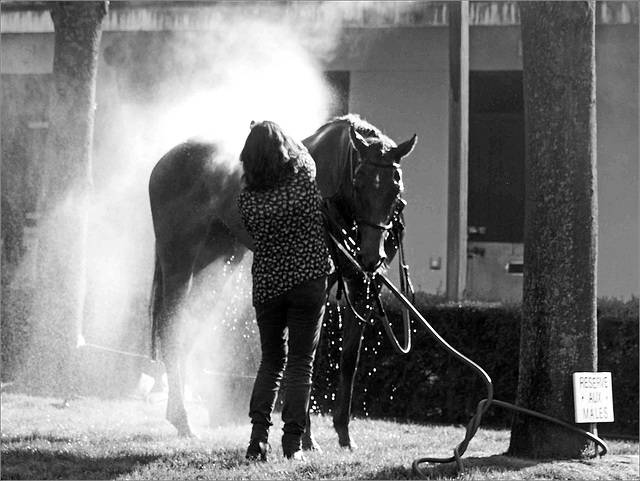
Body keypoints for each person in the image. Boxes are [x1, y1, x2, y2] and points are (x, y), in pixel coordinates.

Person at [237, 120, 333, 462]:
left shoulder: (247, 199)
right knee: (300, 364)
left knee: (271, 362)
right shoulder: (305, 177)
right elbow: (305, 153)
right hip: (307, 281)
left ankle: (257, 442)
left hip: (268, 286)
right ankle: (292, 445)